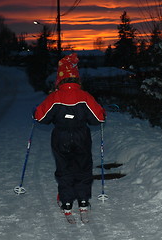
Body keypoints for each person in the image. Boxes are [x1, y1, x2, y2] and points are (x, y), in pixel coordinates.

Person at [33, 53, 105, 215]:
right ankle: (84, 201)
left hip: (60, 138)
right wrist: (102, 113)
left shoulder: (55, 97)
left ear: (60, 78)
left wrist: (35, 112)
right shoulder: (85, 96)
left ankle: (66, 203)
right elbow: (97, 119)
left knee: (64, 169)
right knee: (83, 168)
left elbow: (41, 118)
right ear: (77, 77)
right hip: (82, 137)